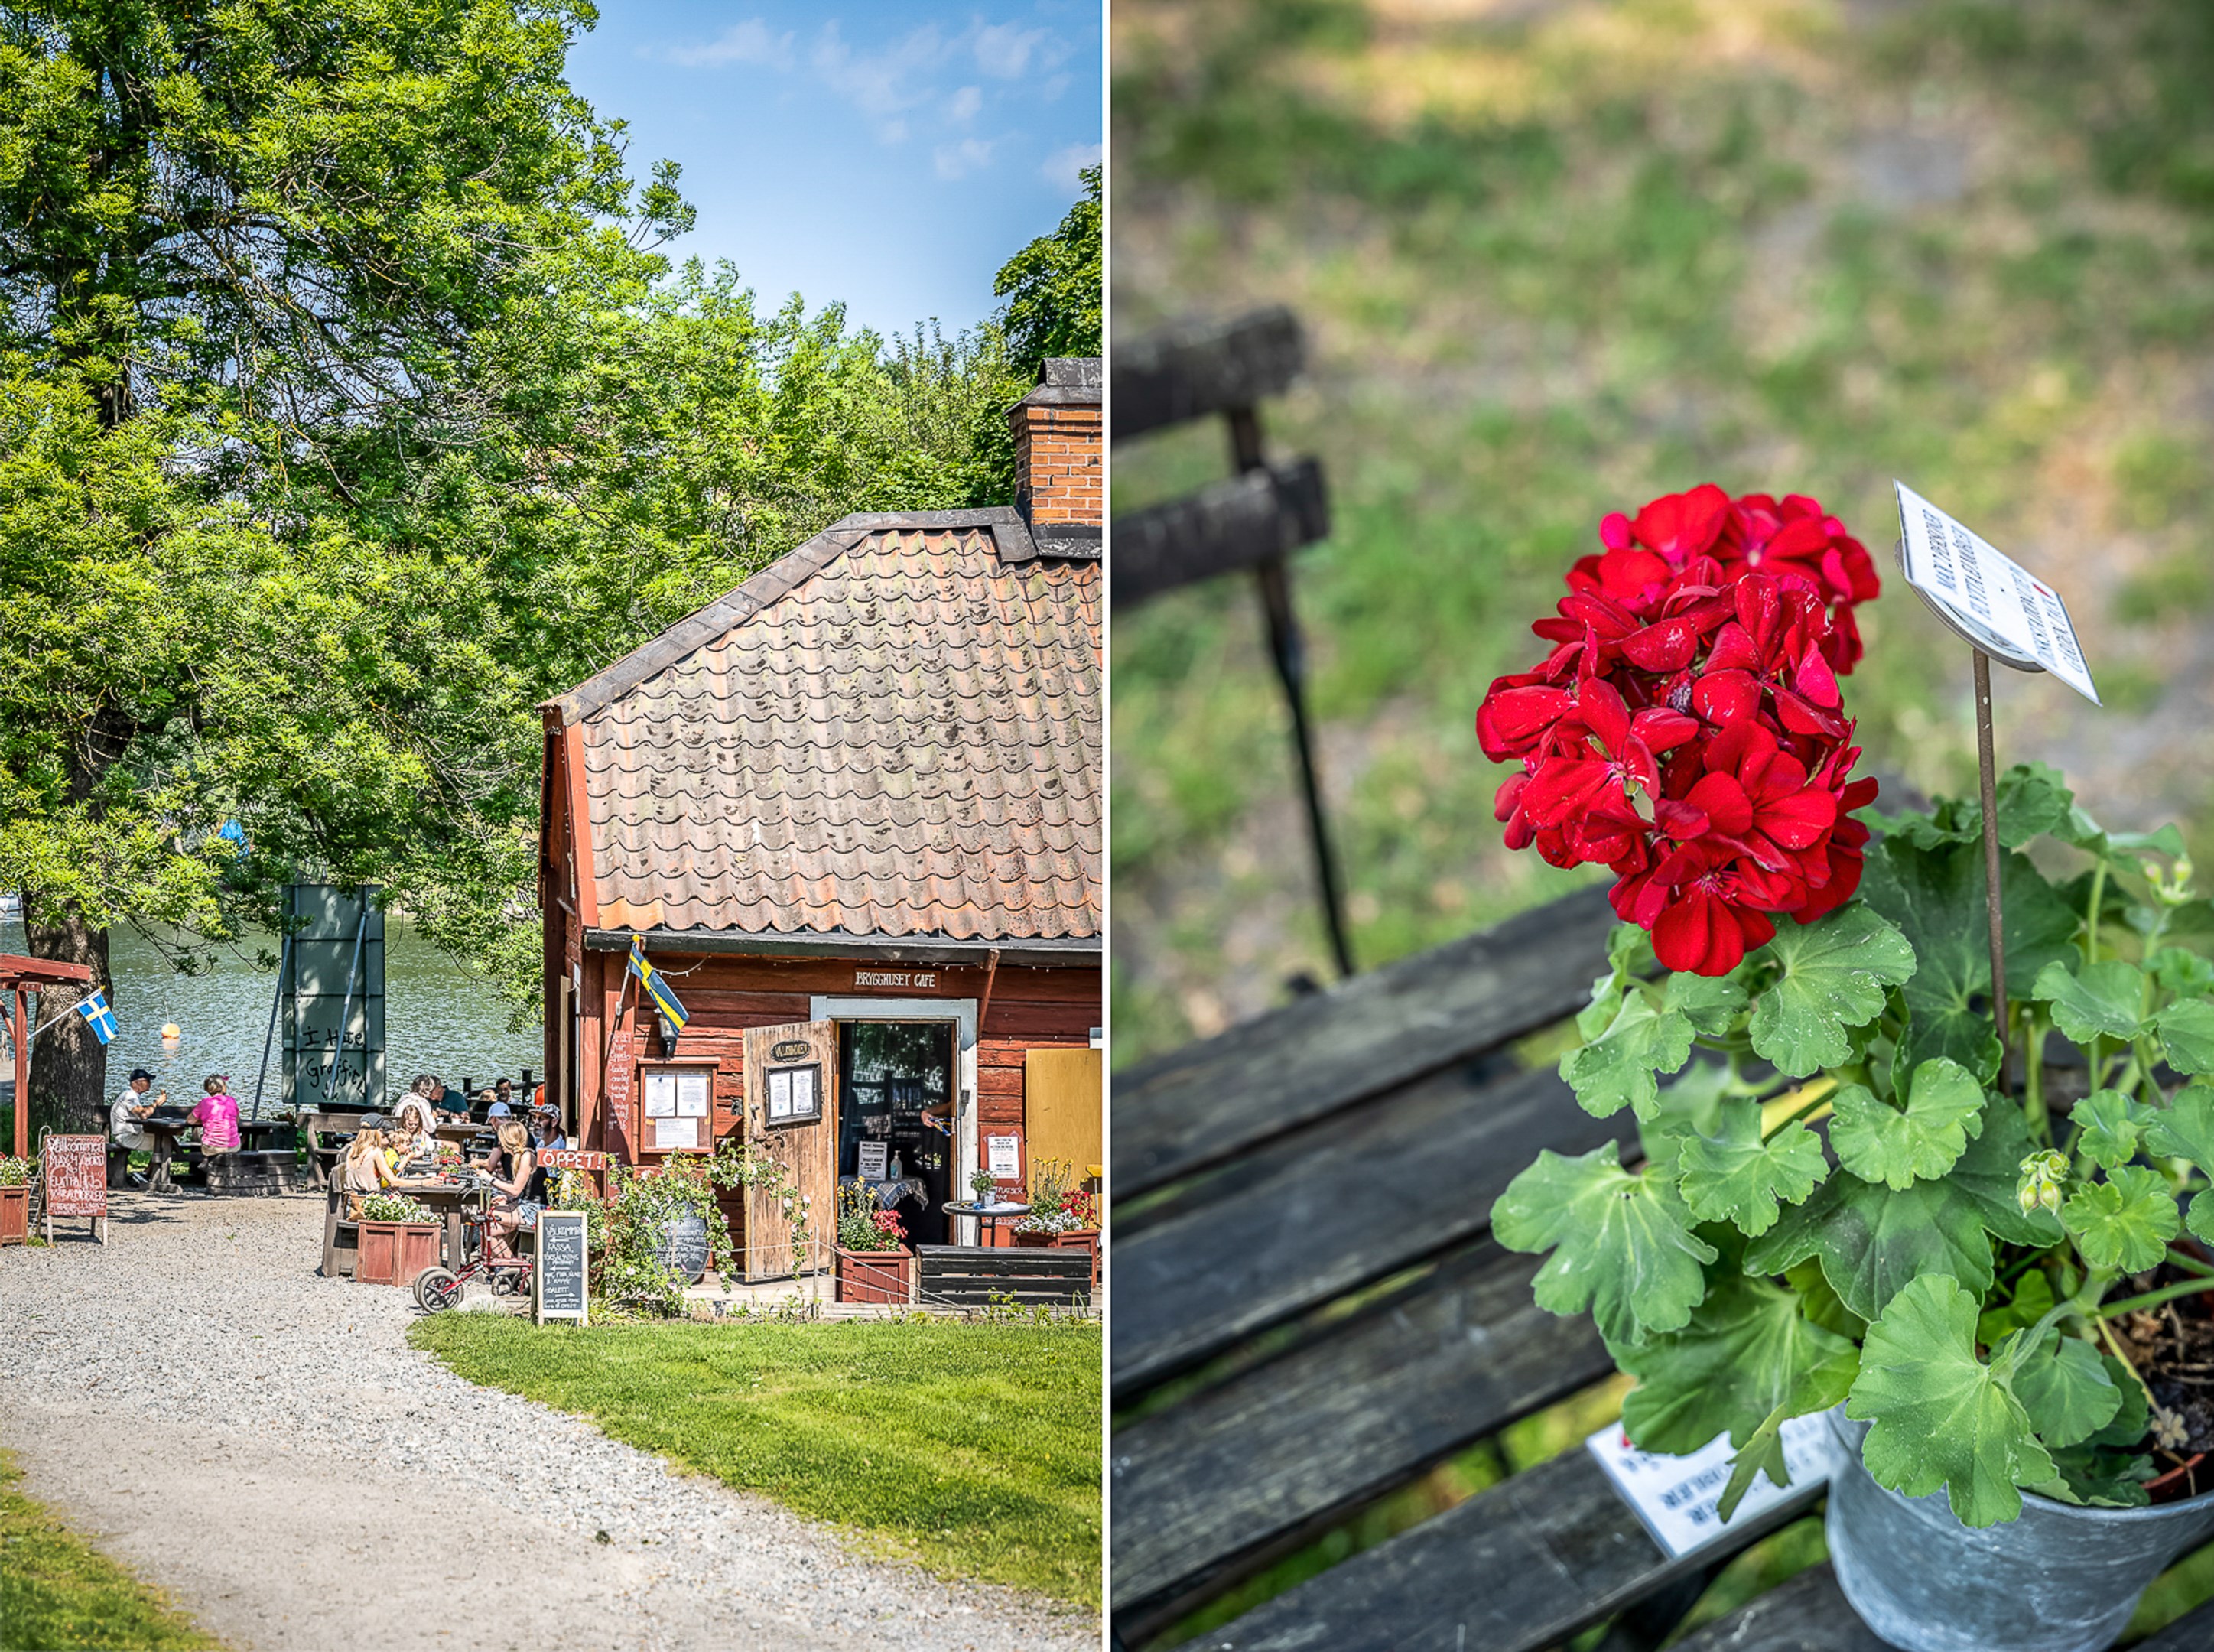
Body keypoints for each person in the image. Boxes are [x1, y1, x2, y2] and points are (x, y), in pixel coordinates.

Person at [480, 1120, 540, 1260]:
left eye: (501, 1140)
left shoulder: (527, 1156)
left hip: (533, 1208)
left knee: (490, 1218)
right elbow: (522, 1190)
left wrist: (489, 1178)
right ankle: (510, 1264)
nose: (500, 1144)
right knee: (488, 1228)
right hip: (524, 1204)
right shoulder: (519, 1157)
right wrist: (508, 1198)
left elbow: (516, 1189)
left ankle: (510, 1266)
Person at [108, 1068, 157, 1189]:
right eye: (148, 1081)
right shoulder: (129, 1096)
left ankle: (146, 1174)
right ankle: (146, 1175)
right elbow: (143, 1114)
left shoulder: (132, 1095)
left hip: (130, 1135)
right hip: (125, 1137)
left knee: (164, 1140)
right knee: (164, 1142)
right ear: (138, 1083)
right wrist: (157, 1103)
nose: (150, 1084)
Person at [342, 1125, 397, 1217]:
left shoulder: (352, 1150)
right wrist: (422, 1182)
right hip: (368, 1205)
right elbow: (394, 1181)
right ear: (377, 1132)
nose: (388, 1141)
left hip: (351, 1203)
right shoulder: (375, 1152)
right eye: (383, 1136)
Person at [190, 1074, 241, 1159]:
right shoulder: (232, 1101)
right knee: (240, 1139)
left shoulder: (204, 1103)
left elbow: (190, 1120)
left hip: (212, 1148)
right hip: (233, 1148)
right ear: (223, 1087)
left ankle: (202, 1168)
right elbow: (237, 1120)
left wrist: (204, 1120)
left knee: (202, 1142)